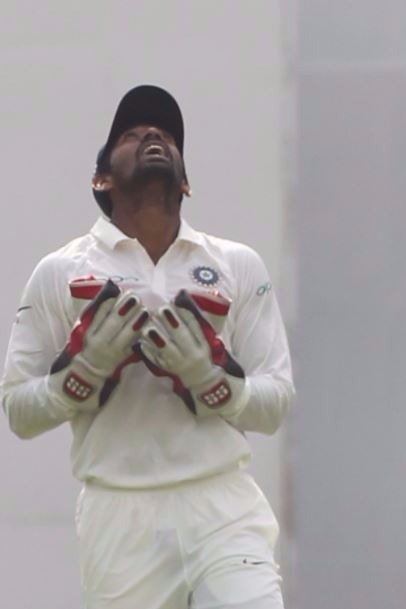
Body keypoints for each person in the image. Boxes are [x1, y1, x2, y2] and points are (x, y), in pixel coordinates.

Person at [1, 85, 295, 609]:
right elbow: (18, 411)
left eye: (165, 136)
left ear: (185, 183)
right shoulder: (60, 271)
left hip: (222, 502)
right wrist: (81, 375)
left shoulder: (237, 264)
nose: (153, 136)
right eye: (132, 135)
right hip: (119, 513)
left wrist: (212, 382)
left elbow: (275, 404)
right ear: (101, 179)